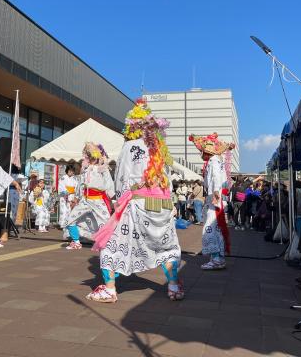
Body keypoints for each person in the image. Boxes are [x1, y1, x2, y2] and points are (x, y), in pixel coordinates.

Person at [89, 98, 183, 303]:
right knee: (166, 248)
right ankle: (174, 287)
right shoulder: (159, 148)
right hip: (162, 206)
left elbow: (122, 177)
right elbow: (166, 179)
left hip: (137, 204)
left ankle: (109, 288)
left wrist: (118, 203)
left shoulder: (130, 146)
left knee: (110, 244)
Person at [189, 132, 233, 270]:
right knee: (216, 228)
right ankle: (218, 257)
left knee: (209, 228)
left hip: (214, 197)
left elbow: (216, 177)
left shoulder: (213, 161)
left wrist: (215, 193)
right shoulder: (216, 160)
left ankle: (216, 259)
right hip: (216, 197)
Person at [62, 142, 114, 249]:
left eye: (91, 156)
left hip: (97, 200)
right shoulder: (85, 169)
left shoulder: (102, 168)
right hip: (85, 200)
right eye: (87, 156)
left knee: (106, 223)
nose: (89, 158)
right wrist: (76, 198)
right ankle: (76, 242)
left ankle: (109, 245)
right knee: (70, 219)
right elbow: (81, 185)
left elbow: (109, 183)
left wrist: (114, 199)